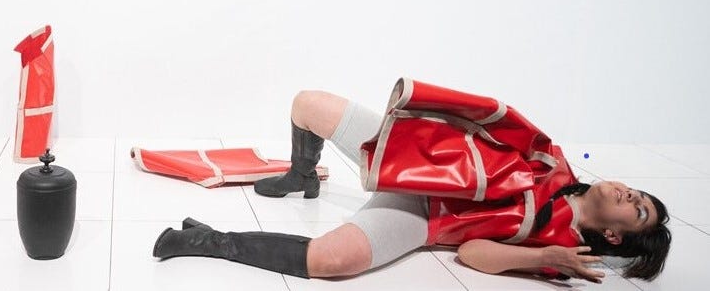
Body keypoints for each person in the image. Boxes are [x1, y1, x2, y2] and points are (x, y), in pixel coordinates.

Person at [153, 85, 671, 283]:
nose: (632, 195)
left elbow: (471, 254)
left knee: (332, 262)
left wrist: (542, 259)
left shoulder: (560, 247)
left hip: (421, 216)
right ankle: (301, 174)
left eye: (639, 209)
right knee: (308, 103)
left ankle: (204, 240)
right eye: (640, 193)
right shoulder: (553, 160)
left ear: (616, 236)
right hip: (411, 159)